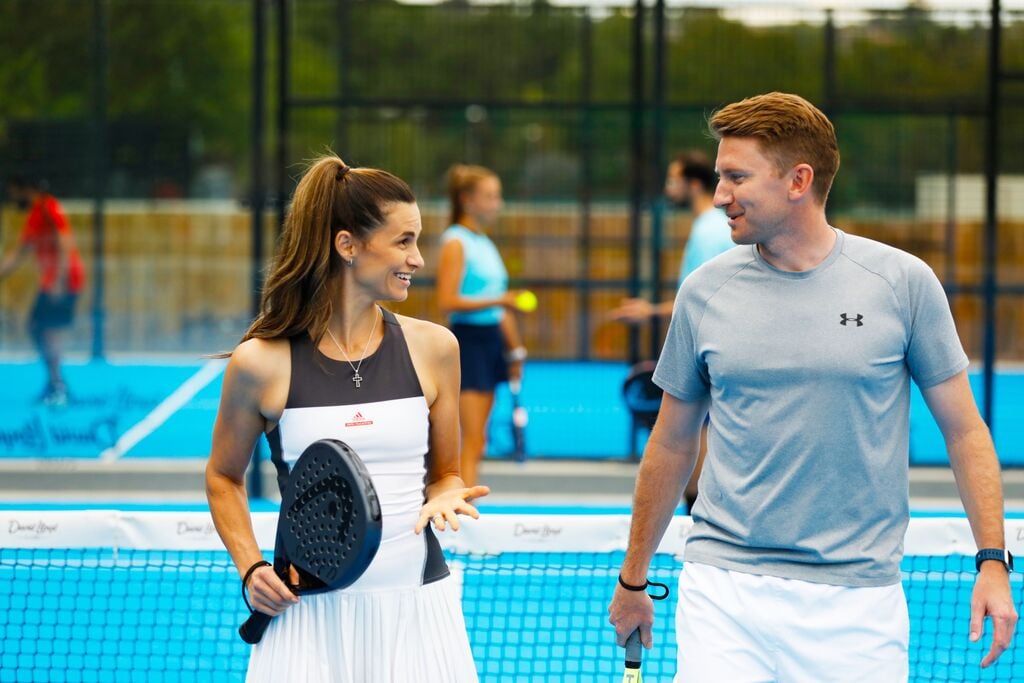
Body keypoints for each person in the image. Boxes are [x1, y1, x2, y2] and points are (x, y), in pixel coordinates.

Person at [608, 92, 1017, 681]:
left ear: (798, 179)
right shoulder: (703, 292)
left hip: (858, 604)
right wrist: (633, 579)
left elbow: (965, 431)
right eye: (720, 175)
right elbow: (671, 443)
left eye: (736, 176)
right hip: (723, 590)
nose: (719, 194)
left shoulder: (902, 284)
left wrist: (992, 563)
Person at [206, 155, 488, 682]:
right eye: (404, 241)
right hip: (307, 619)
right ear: (347, 245)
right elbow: (223, 476)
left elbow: (446, 473)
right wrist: (250, 569)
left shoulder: (436, 348)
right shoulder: (261, 363)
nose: (419, 259)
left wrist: (447, 490)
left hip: (420, 612)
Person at [610, 150, 734, 512]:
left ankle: (698, 514)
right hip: (704, 340)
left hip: (709, 343)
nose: (668, 187)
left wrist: (650, 311)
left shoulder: (710, 229)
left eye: (672, 179)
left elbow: (707, 295)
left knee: (697, 428)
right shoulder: (708, 226)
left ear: (692, 184)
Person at [436, 164, 528, 487]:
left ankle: (467, 509)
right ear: (467, 200)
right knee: (470, 440)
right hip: (468, 343)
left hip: (491, 343)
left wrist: (514, 349)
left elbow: (498, 305)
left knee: (479, 440)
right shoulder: (456, 242)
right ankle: (462, 518)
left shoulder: (484, 242)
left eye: (498, 196)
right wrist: (500, 301)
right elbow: (447, 301)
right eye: (490, 196)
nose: (497, 203)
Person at [0, 175, 85, 406]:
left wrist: (59, 279)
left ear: (26, 189)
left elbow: (65, 241)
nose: (12, 198)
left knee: (49, 330)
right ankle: (55, 381)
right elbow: (20, 252)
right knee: (37, 327)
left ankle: (59, 387)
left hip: (63, 280)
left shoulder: (48, 207)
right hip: (53, 280)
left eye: (14, 192)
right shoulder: (36, 214)